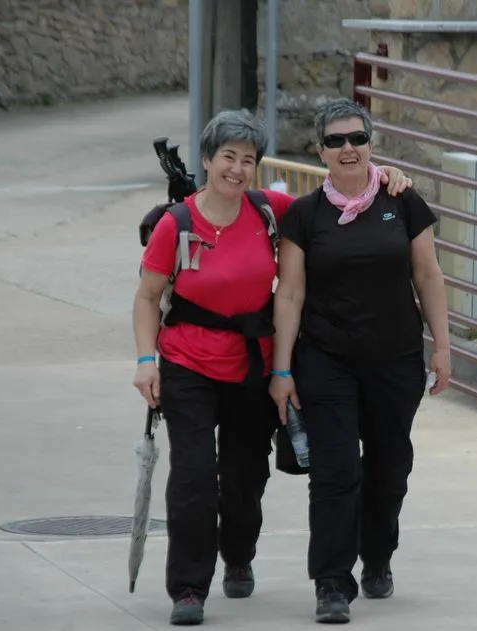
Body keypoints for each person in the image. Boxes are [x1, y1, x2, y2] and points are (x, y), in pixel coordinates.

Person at [131, 108, 412, 626]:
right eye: (228, 157)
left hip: (252, 367)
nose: (237, 169)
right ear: (207, 160)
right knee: (193, 477)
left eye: (248, 159)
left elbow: (338, 195)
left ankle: (238, 556)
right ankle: (188, 589)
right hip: (188, 363)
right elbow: (147, 298)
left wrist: (388, 176)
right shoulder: (178, 225)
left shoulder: (271, 210)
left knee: (244, 480)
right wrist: (147, 361)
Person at [269, 97, 452, 624]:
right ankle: (331, 581)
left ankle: (377, 556)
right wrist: (282, 370)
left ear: (371, 144)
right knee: (336, 470)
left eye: (357, 138)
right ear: (319, 151)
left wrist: (442, 347)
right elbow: (290, 294)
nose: (348, 148)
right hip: (326, 360)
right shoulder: (305, 215)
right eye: (336, 141)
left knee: (390, 467)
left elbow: (428, 275)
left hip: (395, 359)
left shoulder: (403, 199)